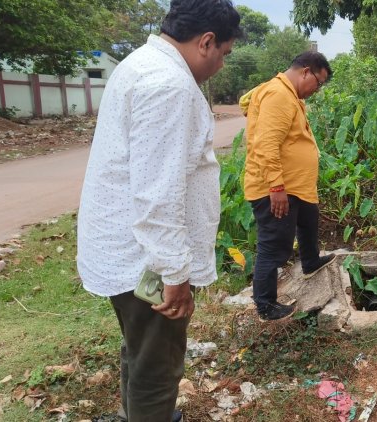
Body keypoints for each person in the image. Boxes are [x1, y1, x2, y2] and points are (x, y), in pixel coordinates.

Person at [76, 1, 242, 420]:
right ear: (206, 42)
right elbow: (158, 193)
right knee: (157, 366)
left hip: (129, 247)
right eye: (224, 54)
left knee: (140, 352)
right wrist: (174, 273)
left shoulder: (140, 65)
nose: (222, 64)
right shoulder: (169, 85)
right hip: (146, 257)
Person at [243, 51, 336, 321]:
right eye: (318, 83)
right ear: (306, 71)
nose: (317, 90)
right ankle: (266, 305)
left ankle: (310, 262)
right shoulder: (279, 95)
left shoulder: (291, 96)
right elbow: (266, 144)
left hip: (297, 186)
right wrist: (275, 187)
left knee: (309, 221)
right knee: (274, 245)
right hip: (276, 188)